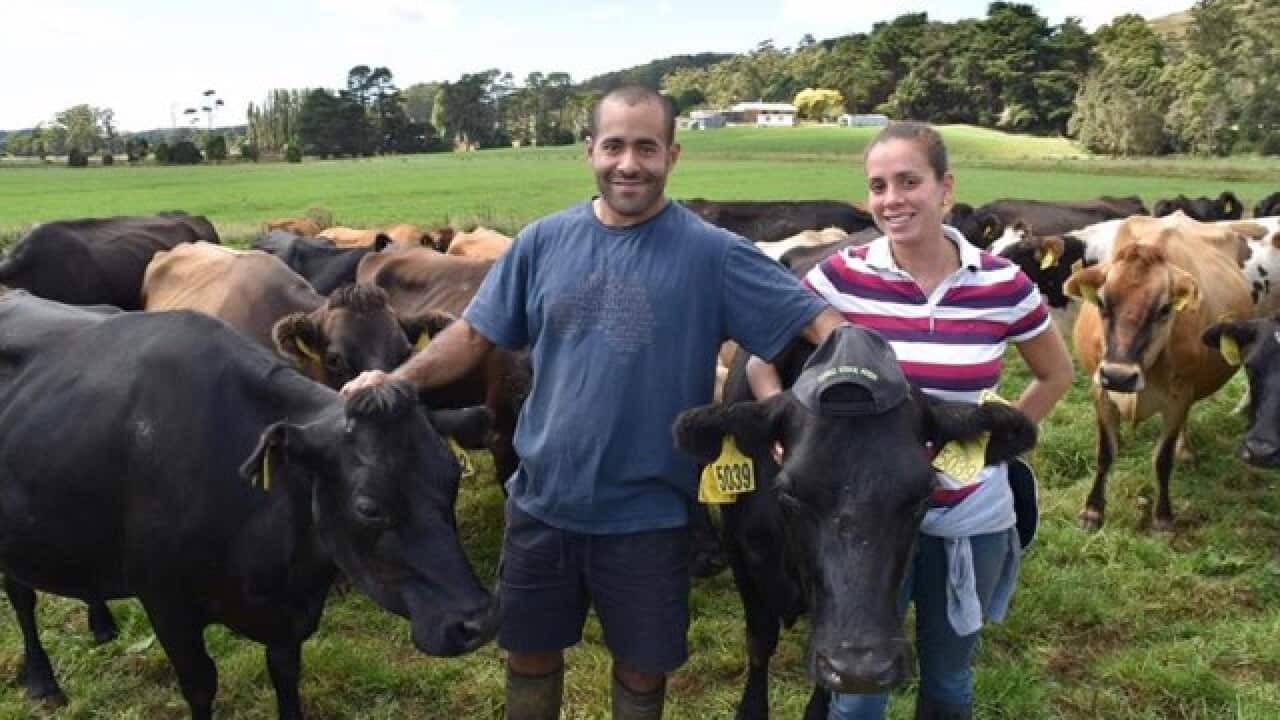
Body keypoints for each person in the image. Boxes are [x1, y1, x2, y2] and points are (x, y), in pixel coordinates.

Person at [341, 85, 844, 719]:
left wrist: (864, 382)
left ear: (672, 155)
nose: (628, 163)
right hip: (542, 503)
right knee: (528, 653)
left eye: (646, 147)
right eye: (614, 146)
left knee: (641, 666)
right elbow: (473, 335)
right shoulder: (541, 243)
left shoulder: (712, 253)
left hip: (651, 516)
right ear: (590, 152)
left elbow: (817, 320)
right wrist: (399, 381)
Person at [745, 122, 1073, 720]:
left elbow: (1056, 375)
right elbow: (759, 360)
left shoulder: (1002, 283)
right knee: (856, 695)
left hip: (966, 515)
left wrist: (987, 447)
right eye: (878, 186)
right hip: (861, 523)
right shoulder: (842, 274)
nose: (892, 199)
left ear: (945, 188)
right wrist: (782, 431)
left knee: (948, 683)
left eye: (908, 181)